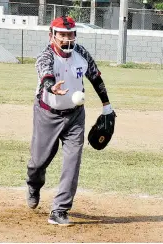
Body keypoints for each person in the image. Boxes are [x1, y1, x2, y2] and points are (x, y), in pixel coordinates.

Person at [26, 16, 114, 226]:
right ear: (52, 36)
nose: (67, 38)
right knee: (38, 162)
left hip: (75, 115)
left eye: (70, 34)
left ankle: (60, 209)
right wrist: (51, 87)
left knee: (73, 162)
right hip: (47, 114)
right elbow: (45, 74)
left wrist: (107, 105)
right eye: (62, 34)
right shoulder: (45, 56)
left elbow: (96, 78)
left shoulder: (81, 53)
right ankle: (34, 184)